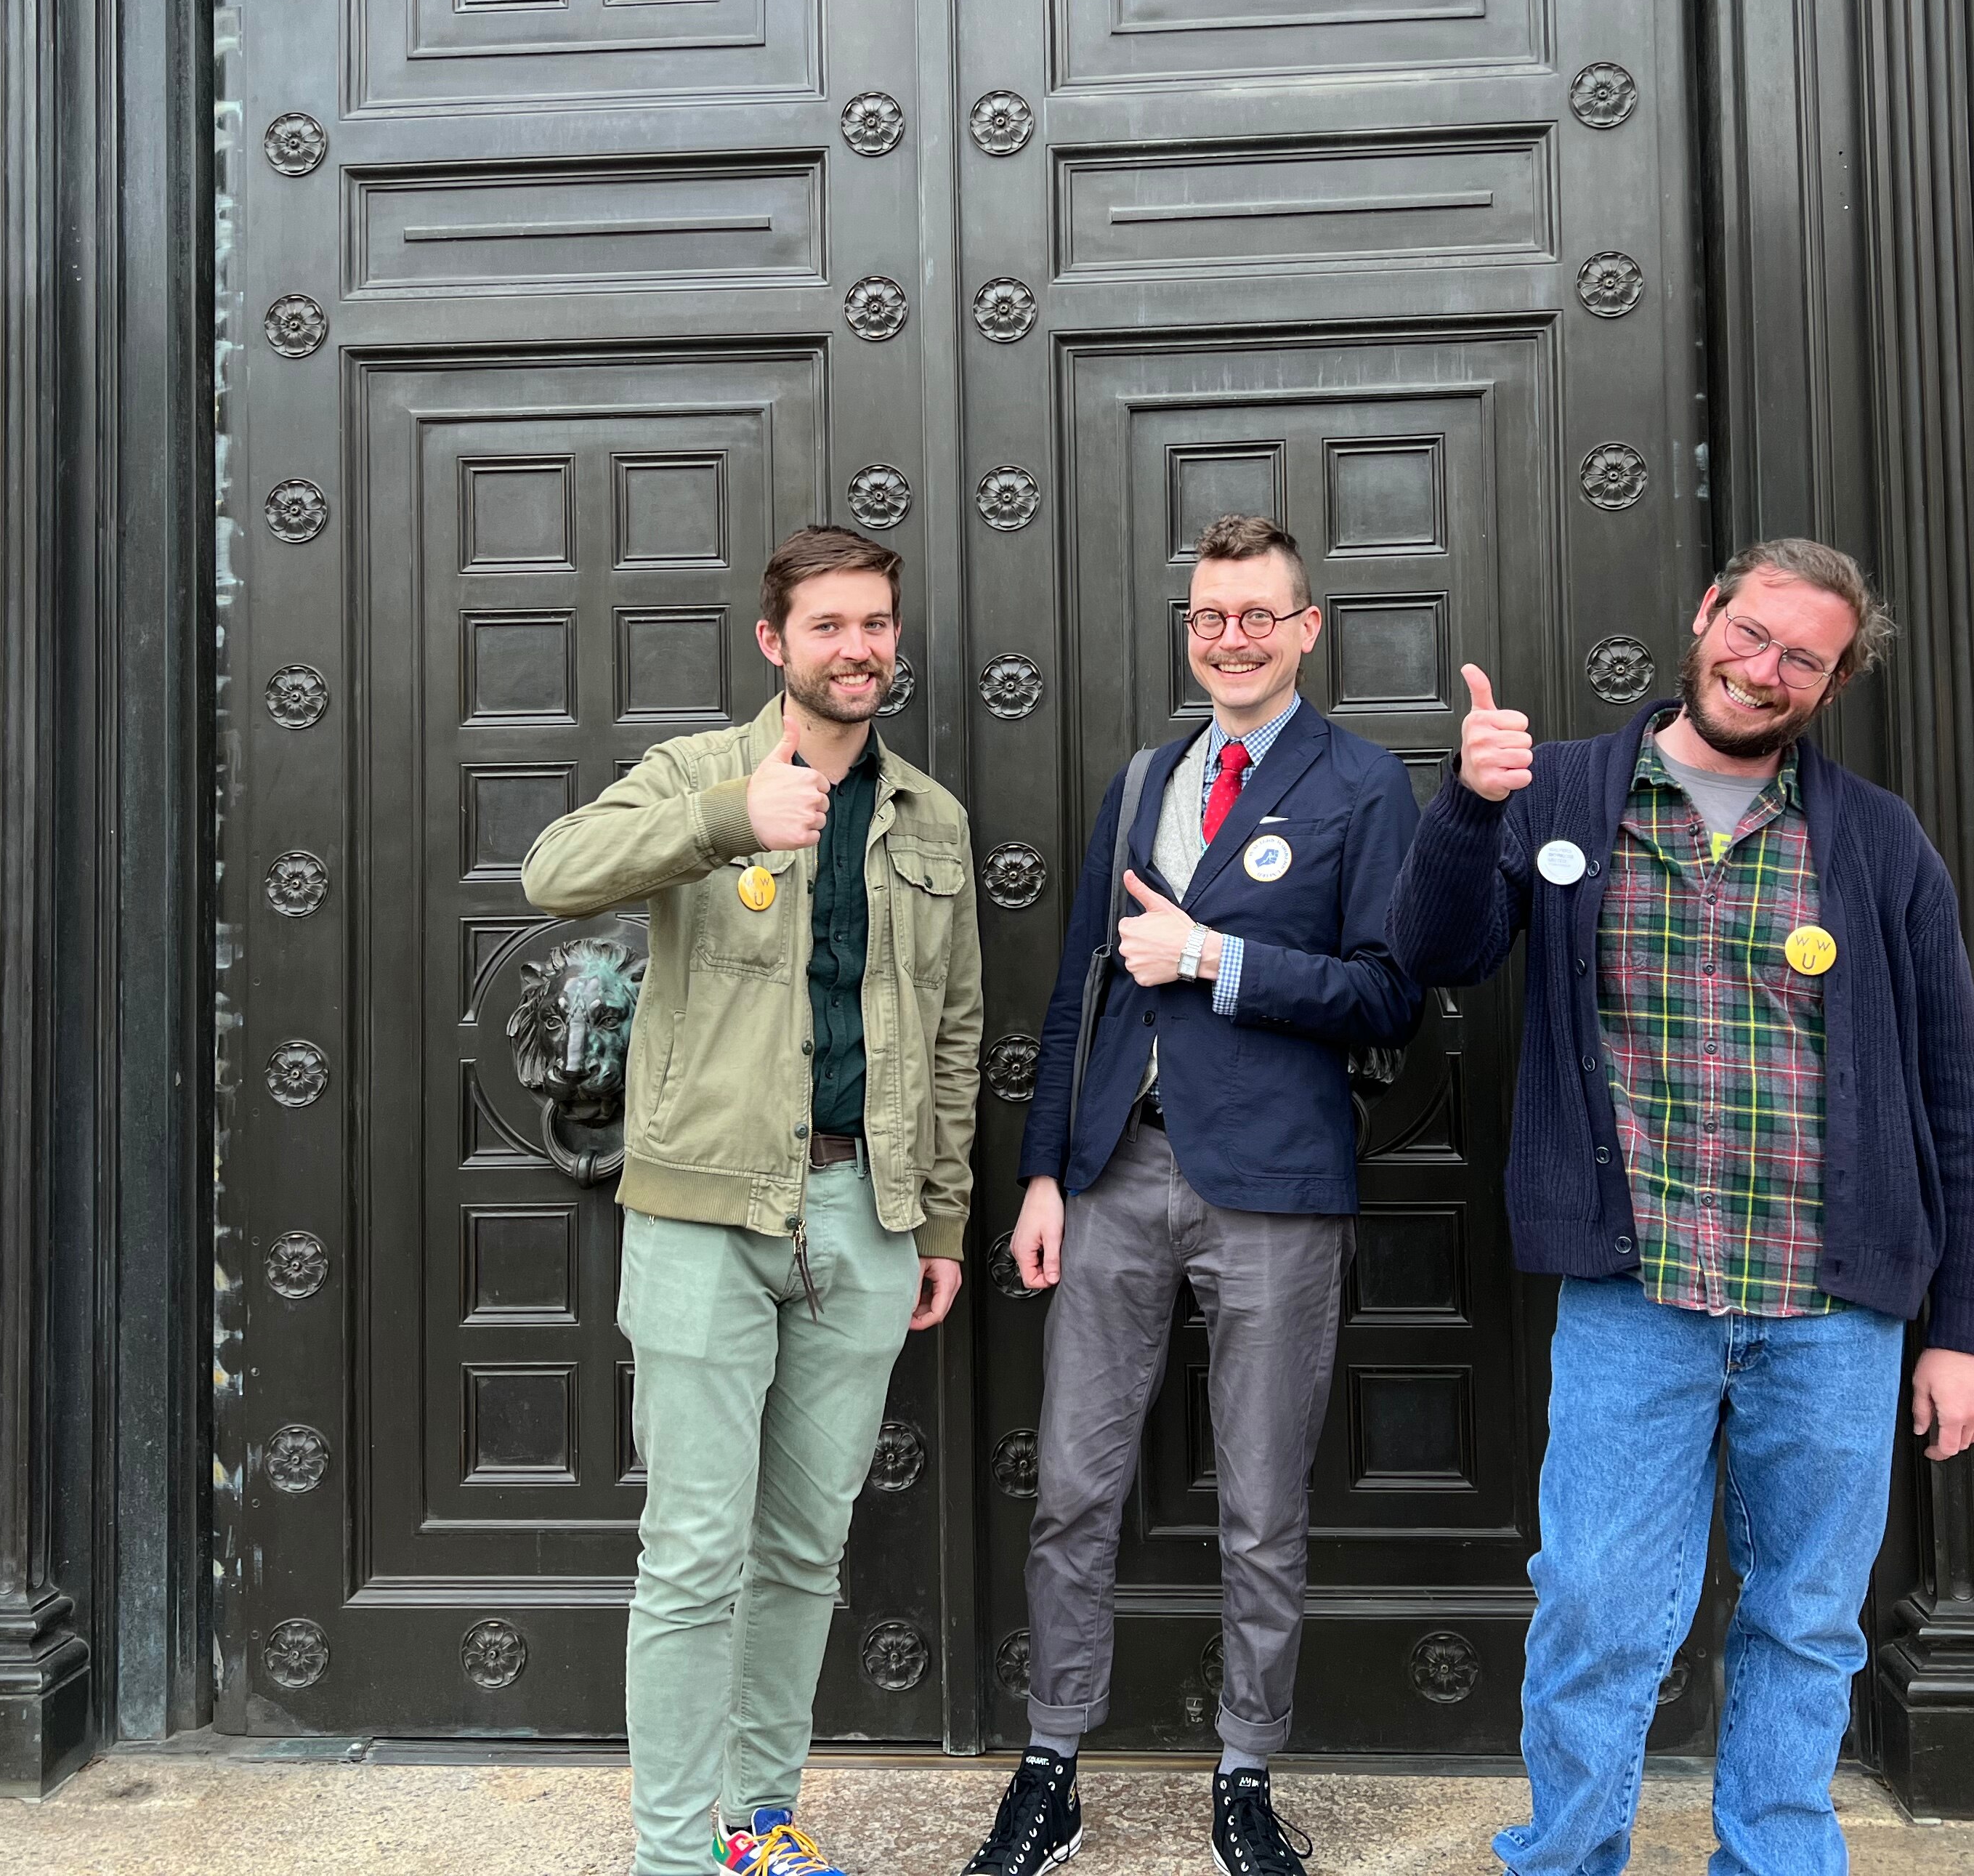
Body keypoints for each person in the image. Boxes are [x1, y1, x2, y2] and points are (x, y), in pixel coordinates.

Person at [1386, 538, 1974, 1876]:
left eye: (1805, 659)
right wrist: (1468, 807)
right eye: (1752, 632)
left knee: (1809, 1617)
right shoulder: (1562, 797)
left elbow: (1957, 1096)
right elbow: (1432, 955)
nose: (1764, 669)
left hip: (1835, 1307)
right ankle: (1567, 1857)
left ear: (1831, 686)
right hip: (1636, 1294)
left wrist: (1966, 1328)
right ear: (1705, 615)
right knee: (1598, 1604)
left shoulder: (1878, 842)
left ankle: (1776, 1860)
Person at [961, 514, 1423, 1876]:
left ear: (1305, 629)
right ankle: (1053, 1767)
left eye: (1256, 616)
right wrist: (1045, 1171)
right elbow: (1081, 992)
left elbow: (1392, 996)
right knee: (1073, 1490)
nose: (1231, 637)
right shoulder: (1148, 777)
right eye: (1209, 616)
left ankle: (1245, 1776)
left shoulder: (1365, 786)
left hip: (1276, 1185)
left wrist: (1215, 957)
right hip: (1116, 1174)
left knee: (1263, 1503)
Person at [521, 525, 979, 1876]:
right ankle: (673, 1856)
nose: (859, 649)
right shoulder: (694, 776)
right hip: (702, 1216)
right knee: (692, 1557)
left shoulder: (930, 819)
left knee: (802, 1552)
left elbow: (952, 1033)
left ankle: (755, 1828)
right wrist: (730, 818)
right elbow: (553, 874)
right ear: (775, 644)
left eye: (877, 625)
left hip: (865, 1218)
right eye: (830, 626)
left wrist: (939, 1220)